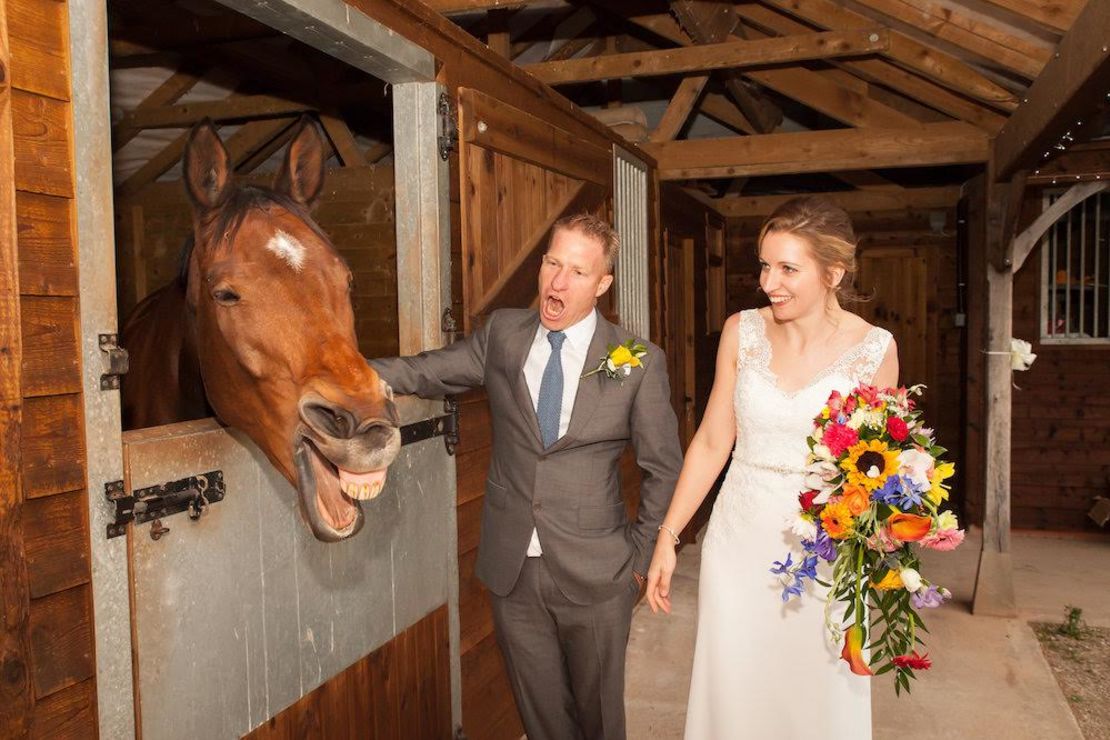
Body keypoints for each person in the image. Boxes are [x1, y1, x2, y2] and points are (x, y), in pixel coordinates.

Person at [371, 214, 682, 740]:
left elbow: (663, 467)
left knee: (600, 720)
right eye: (552, 264)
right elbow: (428, 370)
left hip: (599, 570)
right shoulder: (503, 335)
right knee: (542, 720)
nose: (557, 283)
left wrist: (638, 555)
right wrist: (349, 372)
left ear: (603, 284)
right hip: (512, 566)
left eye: (577, 272)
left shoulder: (636, 361)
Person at [646, 196, 898, 739]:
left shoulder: (874, 350)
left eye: (787, 268)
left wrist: (875, 546)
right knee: (736, 689)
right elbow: (714, 440)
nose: (769, 282)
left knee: (814, 696)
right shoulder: (743, 332)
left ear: (834, 272)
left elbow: (878, 470)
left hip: (825, 551)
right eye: (764, 265)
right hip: (738, 545)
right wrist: (668, 536)